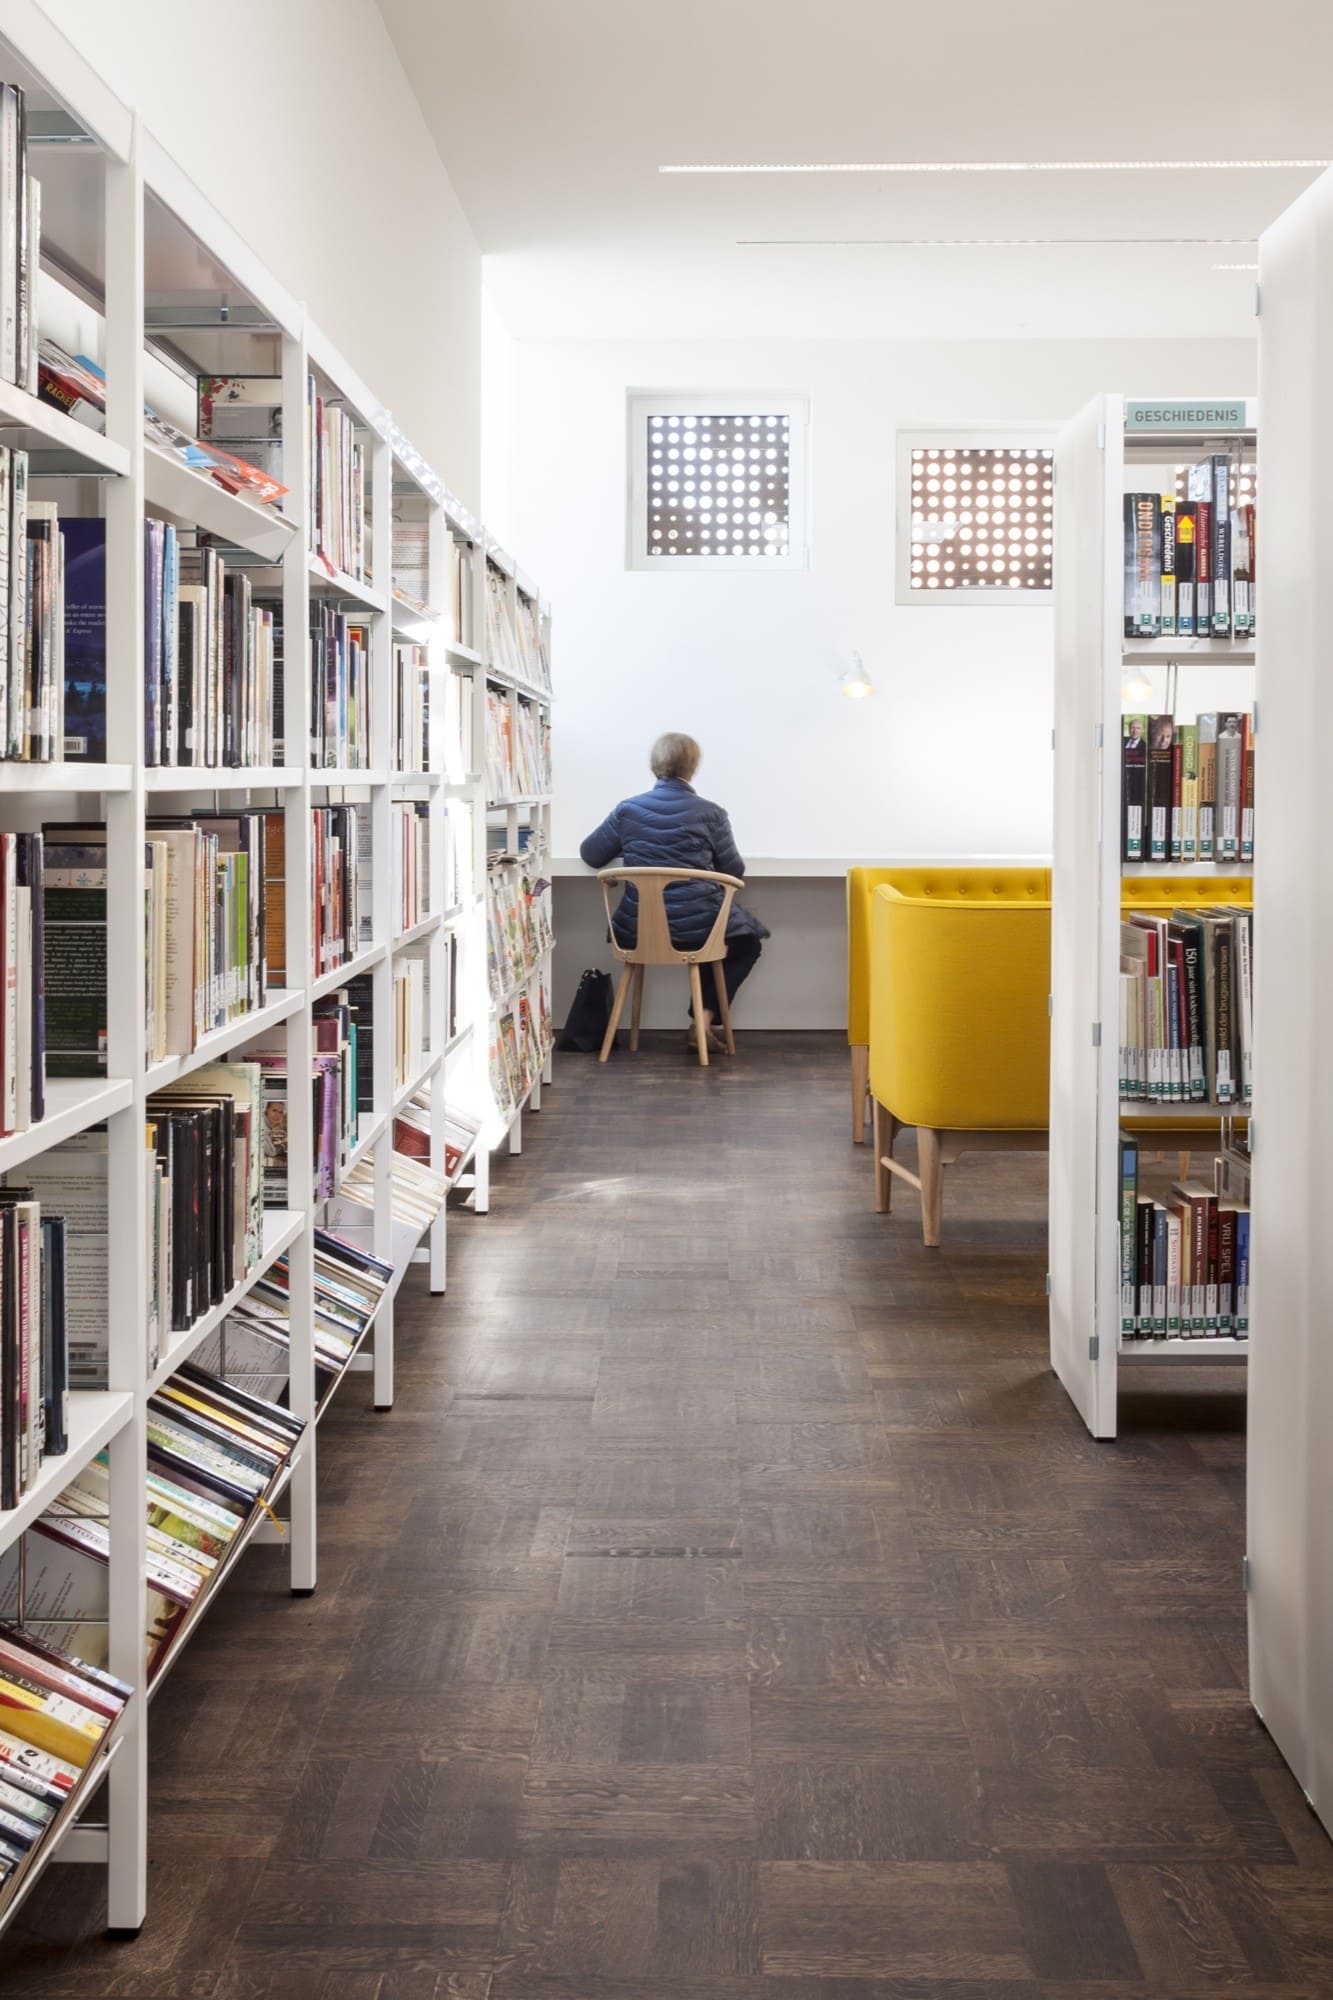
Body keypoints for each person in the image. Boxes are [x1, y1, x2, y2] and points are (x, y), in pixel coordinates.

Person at [580, 732, 768, 1047]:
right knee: (745, 942)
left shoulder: (628, 810)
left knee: (726, 931)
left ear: (654, 766)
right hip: (698, 932)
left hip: (637, 932)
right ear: (692, 768)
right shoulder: (712, 813)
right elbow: (733, 870)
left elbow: (591, 854)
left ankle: (699, 1026)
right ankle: (702, 1022)